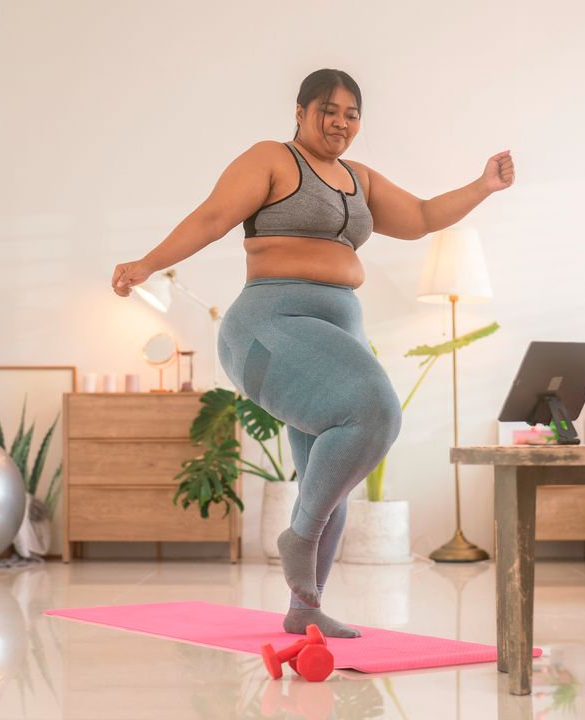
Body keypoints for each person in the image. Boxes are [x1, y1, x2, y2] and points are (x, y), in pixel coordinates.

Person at [112, 68, 514, 637]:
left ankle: (305, 609)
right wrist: (147, 264)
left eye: (352, 113)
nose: (341, 122)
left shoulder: (361, 179)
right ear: (300, 112)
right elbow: (211, 217)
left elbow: (423, 217)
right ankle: (298, 538)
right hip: (269, 330)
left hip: (331, 337)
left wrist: (482, 186)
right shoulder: (273, 159)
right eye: (329, 109)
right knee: (375, 410)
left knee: (331, 474)